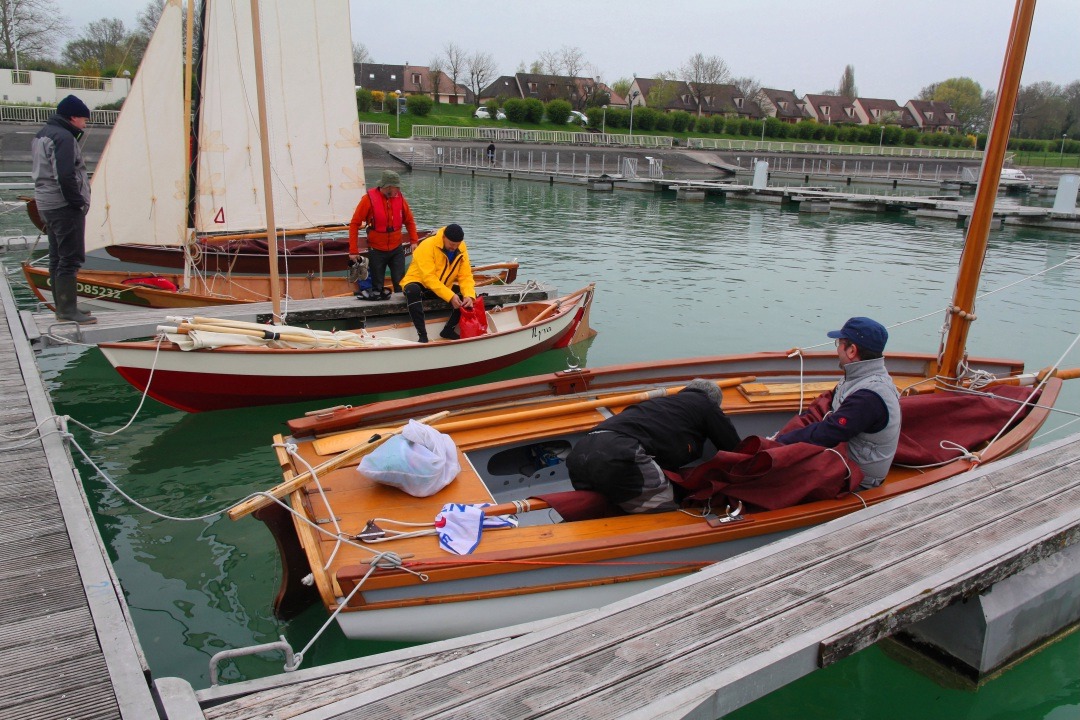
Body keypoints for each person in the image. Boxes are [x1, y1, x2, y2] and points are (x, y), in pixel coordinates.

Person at [565, 379, 741, 513]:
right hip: (620, 453)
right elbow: (734, 447)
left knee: (603, 503)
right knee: (669, 509)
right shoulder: (706, 405)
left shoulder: (661, 404)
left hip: (580, 452)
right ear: (714, 402)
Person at [775, 316, 901, 489]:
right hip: (842, 457)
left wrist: (779, 443)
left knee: (778, 480)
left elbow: (828, 432)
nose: (838, 349)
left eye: (839, 344)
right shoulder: (858, 378)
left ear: (851, 351)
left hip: (857, 478)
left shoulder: (868, 397)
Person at [32, 94, 97, 325]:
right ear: (73, 117)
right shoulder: (64, 137)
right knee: (70, 257)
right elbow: (65, 174)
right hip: (63, 205)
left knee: (57, 256)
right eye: (83, 119)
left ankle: (63, 307)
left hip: (46, 203)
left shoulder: (43, 134)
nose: (85, 124)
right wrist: (77, 201)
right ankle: (68, 310)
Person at [348, 169, 419, 300]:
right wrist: (353, 250)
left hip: (397, 248)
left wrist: (414, 241)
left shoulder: (400, 198)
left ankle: (402, 310)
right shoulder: (368, 199)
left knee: (401, 282)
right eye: (396, 188)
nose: (398, 190)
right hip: (376, 250)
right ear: (387, 187)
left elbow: (409, 221)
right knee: (377, 286)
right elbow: (354, 224)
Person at [400, 223, 475, 343]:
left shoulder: (461, 248)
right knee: (412, 291)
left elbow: (465, 275)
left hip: (441, 287)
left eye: (457, 245)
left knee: (467, 298)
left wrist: (469, 295)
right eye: (451, 244)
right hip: (418, 282)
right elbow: (428, 277)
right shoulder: (427, 245)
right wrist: (450, 296)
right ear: (444, 237)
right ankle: (422, 336)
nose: (454, 247)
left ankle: (448, 330)